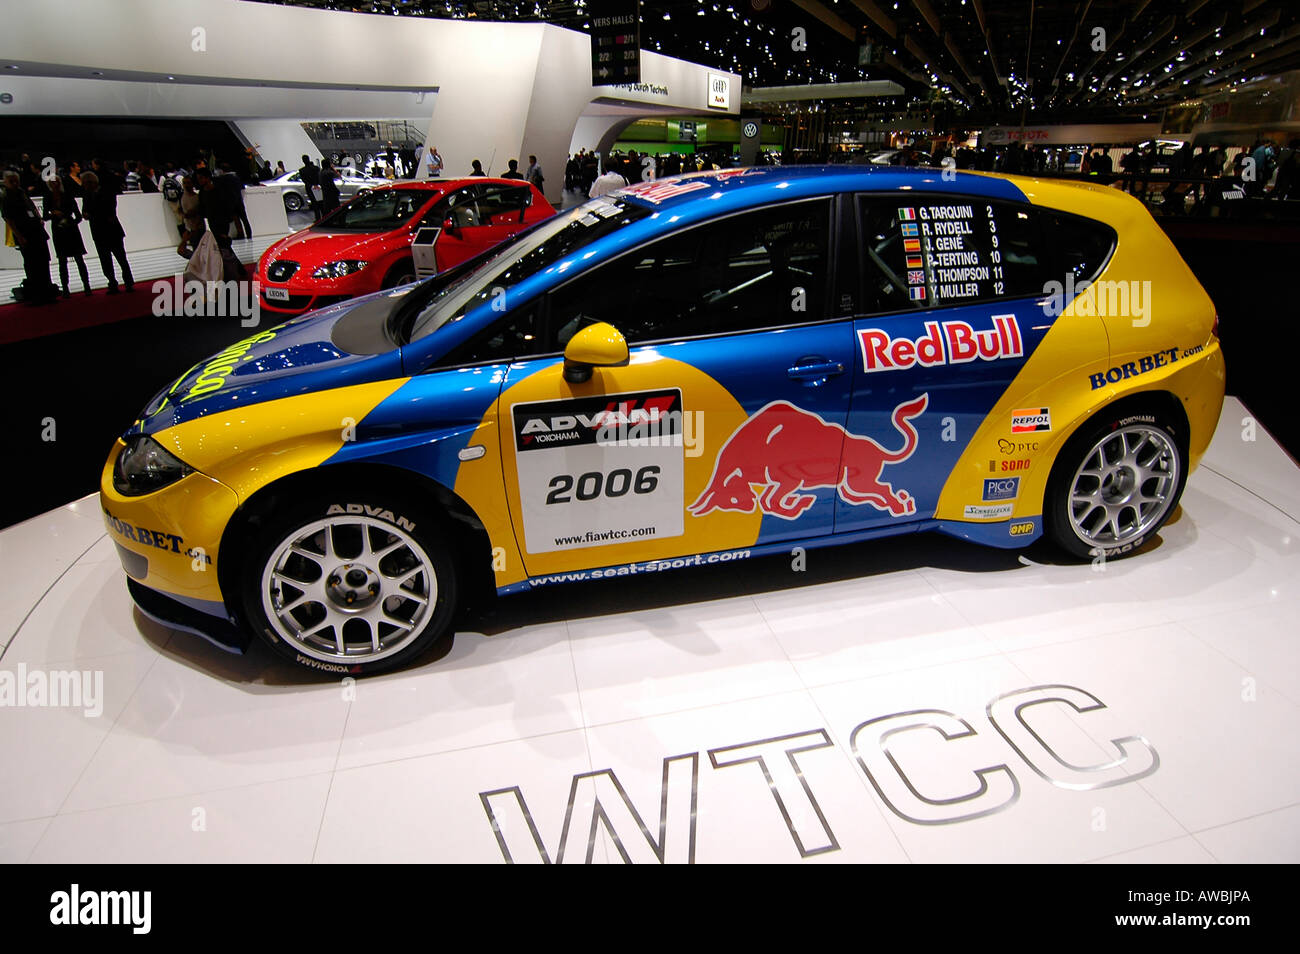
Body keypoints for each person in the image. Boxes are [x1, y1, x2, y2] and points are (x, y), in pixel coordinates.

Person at [2, 169, 58, 304]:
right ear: (5, 182)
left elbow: (32, 207)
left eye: (16, 180)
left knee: (43, 260)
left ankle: (47, 289)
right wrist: (19, 236)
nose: (15, 183)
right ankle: (36, 292)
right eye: (11, 181)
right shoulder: (5, 197)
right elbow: (8, 219)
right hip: (24, 233)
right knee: (31, 262)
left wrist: (39, 218)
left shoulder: (22, 192)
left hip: (36, 230)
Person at [80, 170, 134, 294]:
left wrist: (91, 214)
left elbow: (109, 209)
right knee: (106, 260)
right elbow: (87, 210)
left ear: (90, 182)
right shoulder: (88, 194)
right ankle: (113, 283)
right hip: (100, 231)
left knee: (120, 258)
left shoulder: (106, 192)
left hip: (110, 230)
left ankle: (127, 282)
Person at [42, 175, 91, 297]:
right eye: (52, 182)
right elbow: (45, 216)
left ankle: (86, 286)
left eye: (56, 182)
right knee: (62, 261)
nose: (55, 184)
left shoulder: (67, 195)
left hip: (71, 230)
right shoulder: (48, 197)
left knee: (79, 259)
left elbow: (78, 216)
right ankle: (65, 288)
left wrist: (70, 222)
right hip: (59, 231)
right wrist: (54, 214)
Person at [299, 153, 322, 220]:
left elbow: (304, 180)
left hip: (309, 187)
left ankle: (318, 218)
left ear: (303, 161)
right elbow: (319, 177)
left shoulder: (302, 170)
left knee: (314, 204)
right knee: (320, 203)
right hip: (317, 187)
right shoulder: (316, 168)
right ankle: (325, 217)